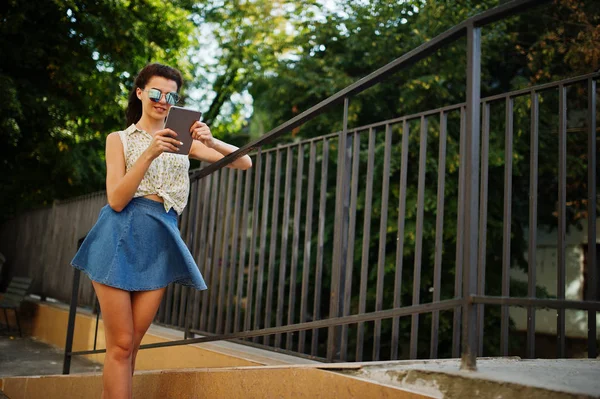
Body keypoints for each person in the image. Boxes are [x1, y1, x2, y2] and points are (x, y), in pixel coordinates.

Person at [71, 62, 252, 399]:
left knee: (132, 345)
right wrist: (150, 153)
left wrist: (214, 141)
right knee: (121, 344)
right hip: (118, 235)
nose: (163, 99)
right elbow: (117, 199)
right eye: (155, 92)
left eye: (171, 95)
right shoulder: (119, 140)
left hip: (161, 238)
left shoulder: (184, 142)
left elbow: (244, 162)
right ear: (139, 92)